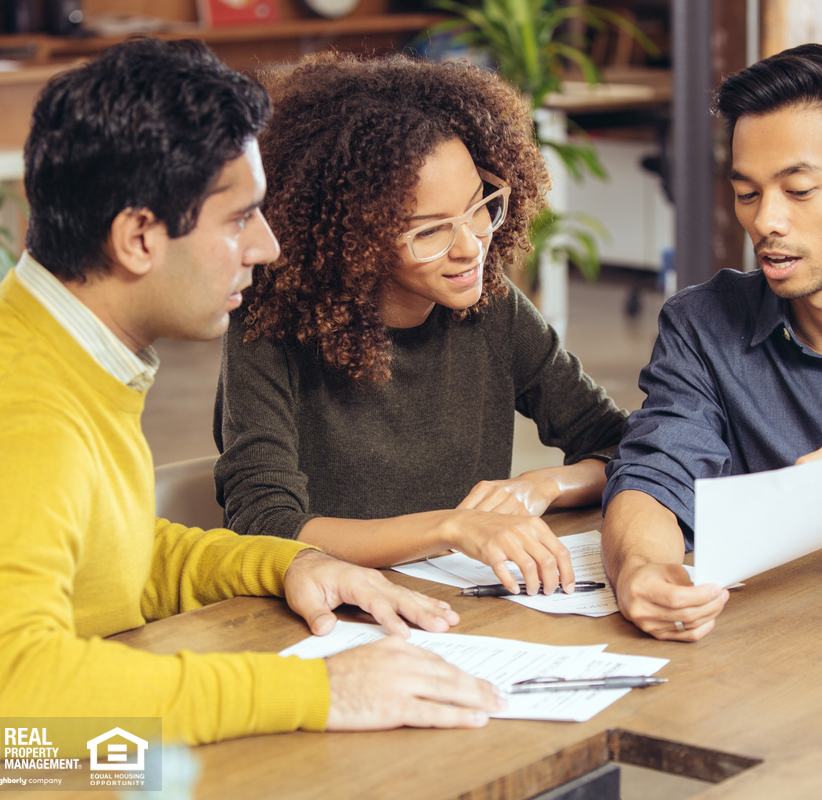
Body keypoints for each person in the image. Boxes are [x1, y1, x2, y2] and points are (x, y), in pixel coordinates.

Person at [0, 37, 508, 748]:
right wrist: (320, 690)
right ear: (139, 238)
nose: (267, 246)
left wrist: (293, 563)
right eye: (240, 219)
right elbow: (1, 702)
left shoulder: (49, 350)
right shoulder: (17, 404)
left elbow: (105, 557)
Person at [214, 52, 627, 595]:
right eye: (429, 231)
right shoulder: (272, 325)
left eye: (479, 206)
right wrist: (451, 528)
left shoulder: (492, 308)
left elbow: (622, 445)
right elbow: (264, 525)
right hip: (332, 611)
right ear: (354, 240)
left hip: (459, 603)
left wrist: (543, 485)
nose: (470, 246)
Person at [601, 43, 822, 642]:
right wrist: (640, 571)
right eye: (747, 194)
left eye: (798, 190)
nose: (766, 221)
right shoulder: (702, 324)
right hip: (778, 657)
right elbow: (655, 475)